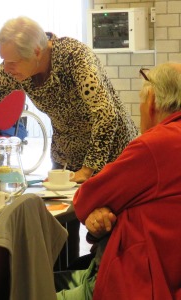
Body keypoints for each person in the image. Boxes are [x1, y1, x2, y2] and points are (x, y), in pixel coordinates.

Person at [0, 16, 137, 259]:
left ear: (36, 51)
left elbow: (106, 116)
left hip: (111, 152)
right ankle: (59, 285)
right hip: (66, 154)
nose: (7, 68)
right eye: (3, 60)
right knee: (62, 229)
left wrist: (88, 169)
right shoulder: (14, 68)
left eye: (12, 62)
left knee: (107, 231)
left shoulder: (75, 57)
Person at [58, 63, 181, 300]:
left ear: (152, 101)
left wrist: (104, 209)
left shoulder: (155, 145)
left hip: (137, 284)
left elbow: (85, 199)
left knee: (24, 288)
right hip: (167, 278)